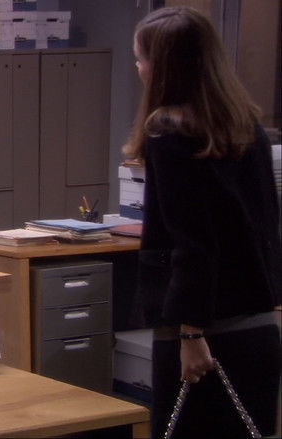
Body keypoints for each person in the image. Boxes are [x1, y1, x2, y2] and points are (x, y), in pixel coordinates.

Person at [125, 7, 281, 438]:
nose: (138, 68)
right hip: (257, 328)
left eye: (141, 58)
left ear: (165, 67)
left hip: (202, 335)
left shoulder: (169, 131)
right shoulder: (247, 126)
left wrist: (190, 334)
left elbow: (193, 244)